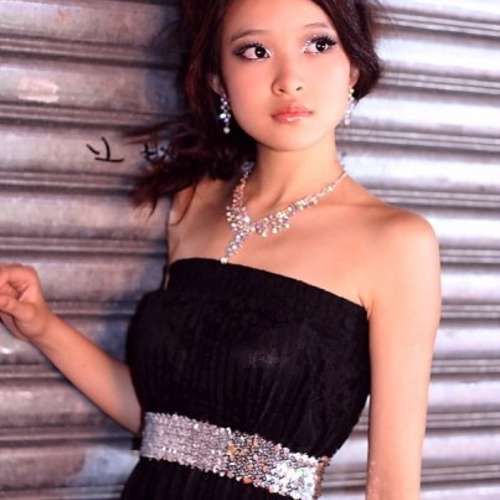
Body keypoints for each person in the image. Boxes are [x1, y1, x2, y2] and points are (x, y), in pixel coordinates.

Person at [0, 0, 442, 498]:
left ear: (354, 67)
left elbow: (391, 486)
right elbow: (167, 427)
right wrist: (41, 326)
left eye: (318, 44)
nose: (289, 80)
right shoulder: (194, 207)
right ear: (217, 79)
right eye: (255, 51)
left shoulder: (395, 241)